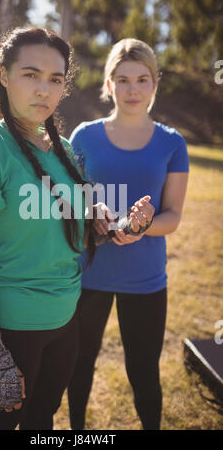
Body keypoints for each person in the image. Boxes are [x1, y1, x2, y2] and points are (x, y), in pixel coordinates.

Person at [0, 28, 154, 431]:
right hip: (6, 334)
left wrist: (121, 226)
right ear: (3, 76)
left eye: (55, 80)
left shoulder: (63, 150)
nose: (44, 90)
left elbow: (75, 235)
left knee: (42, 426)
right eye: (30, 75)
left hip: (63, 325)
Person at [67, 38, 189, 430]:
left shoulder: (172, 143)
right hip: (89, 275)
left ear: (155, 84)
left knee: (143, 371)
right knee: (78, 365)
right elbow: (70, 203)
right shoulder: (84, 137)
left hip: (146, 280)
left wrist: (140, 227)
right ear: (108, 84)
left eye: (142, 79)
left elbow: (172, 216)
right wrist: (93, 216)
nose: (132, 89)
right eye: (122, 80)